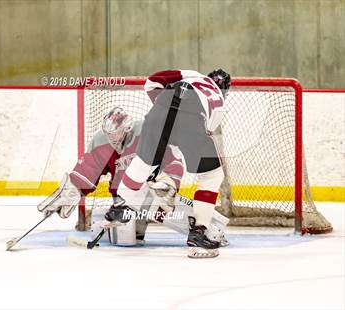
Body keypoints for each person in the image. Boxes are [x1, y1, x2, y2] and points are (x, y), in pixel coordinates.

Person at [37, 106, 229, 246]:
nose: (113, 139)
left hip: (152, 194)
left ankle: (208, 229)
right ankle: (122, 226)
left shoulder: (146, 132)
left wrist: (168, 181)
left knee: (164, 208)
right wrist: (71, 190)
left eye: (117, 133)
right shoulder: (101, 142)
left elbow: (174, 157)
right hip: (123, 202)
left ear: (127, 128)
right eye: (109, 134)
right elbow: (88, 169)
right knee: (127, 241)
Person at [112, 69, 231, 258]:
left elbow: (152, 81)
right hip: (192, 117)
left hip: (159, 110)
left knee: (144, 161)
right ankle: (198, 232)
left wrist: (163, 112)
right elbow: (199, 133)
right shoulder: (219, 100)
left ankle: (121, 204)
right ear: (224, 90)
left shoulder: (194, 75)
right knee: (212, 175)